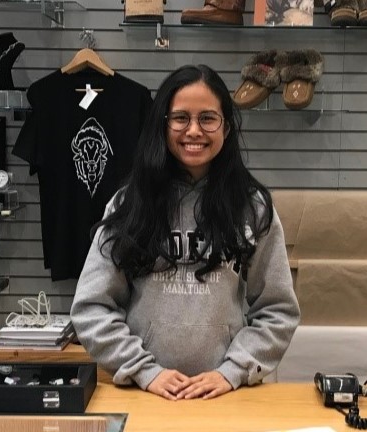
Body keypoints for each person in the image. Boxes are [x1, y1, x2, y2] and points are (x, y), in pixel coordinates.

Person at [70, 64, 300, 401]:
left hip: (226, 396)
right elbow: (91, 308)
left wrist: (233, 371)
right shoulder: (128, 205)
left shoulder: (253, 207)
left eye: (208, 118)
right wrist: (144, 370)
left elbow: (278, 310)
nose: (194, 130)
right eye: (180, 118)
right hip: (145, 394)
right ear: (162, 125)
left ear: (226, 127)